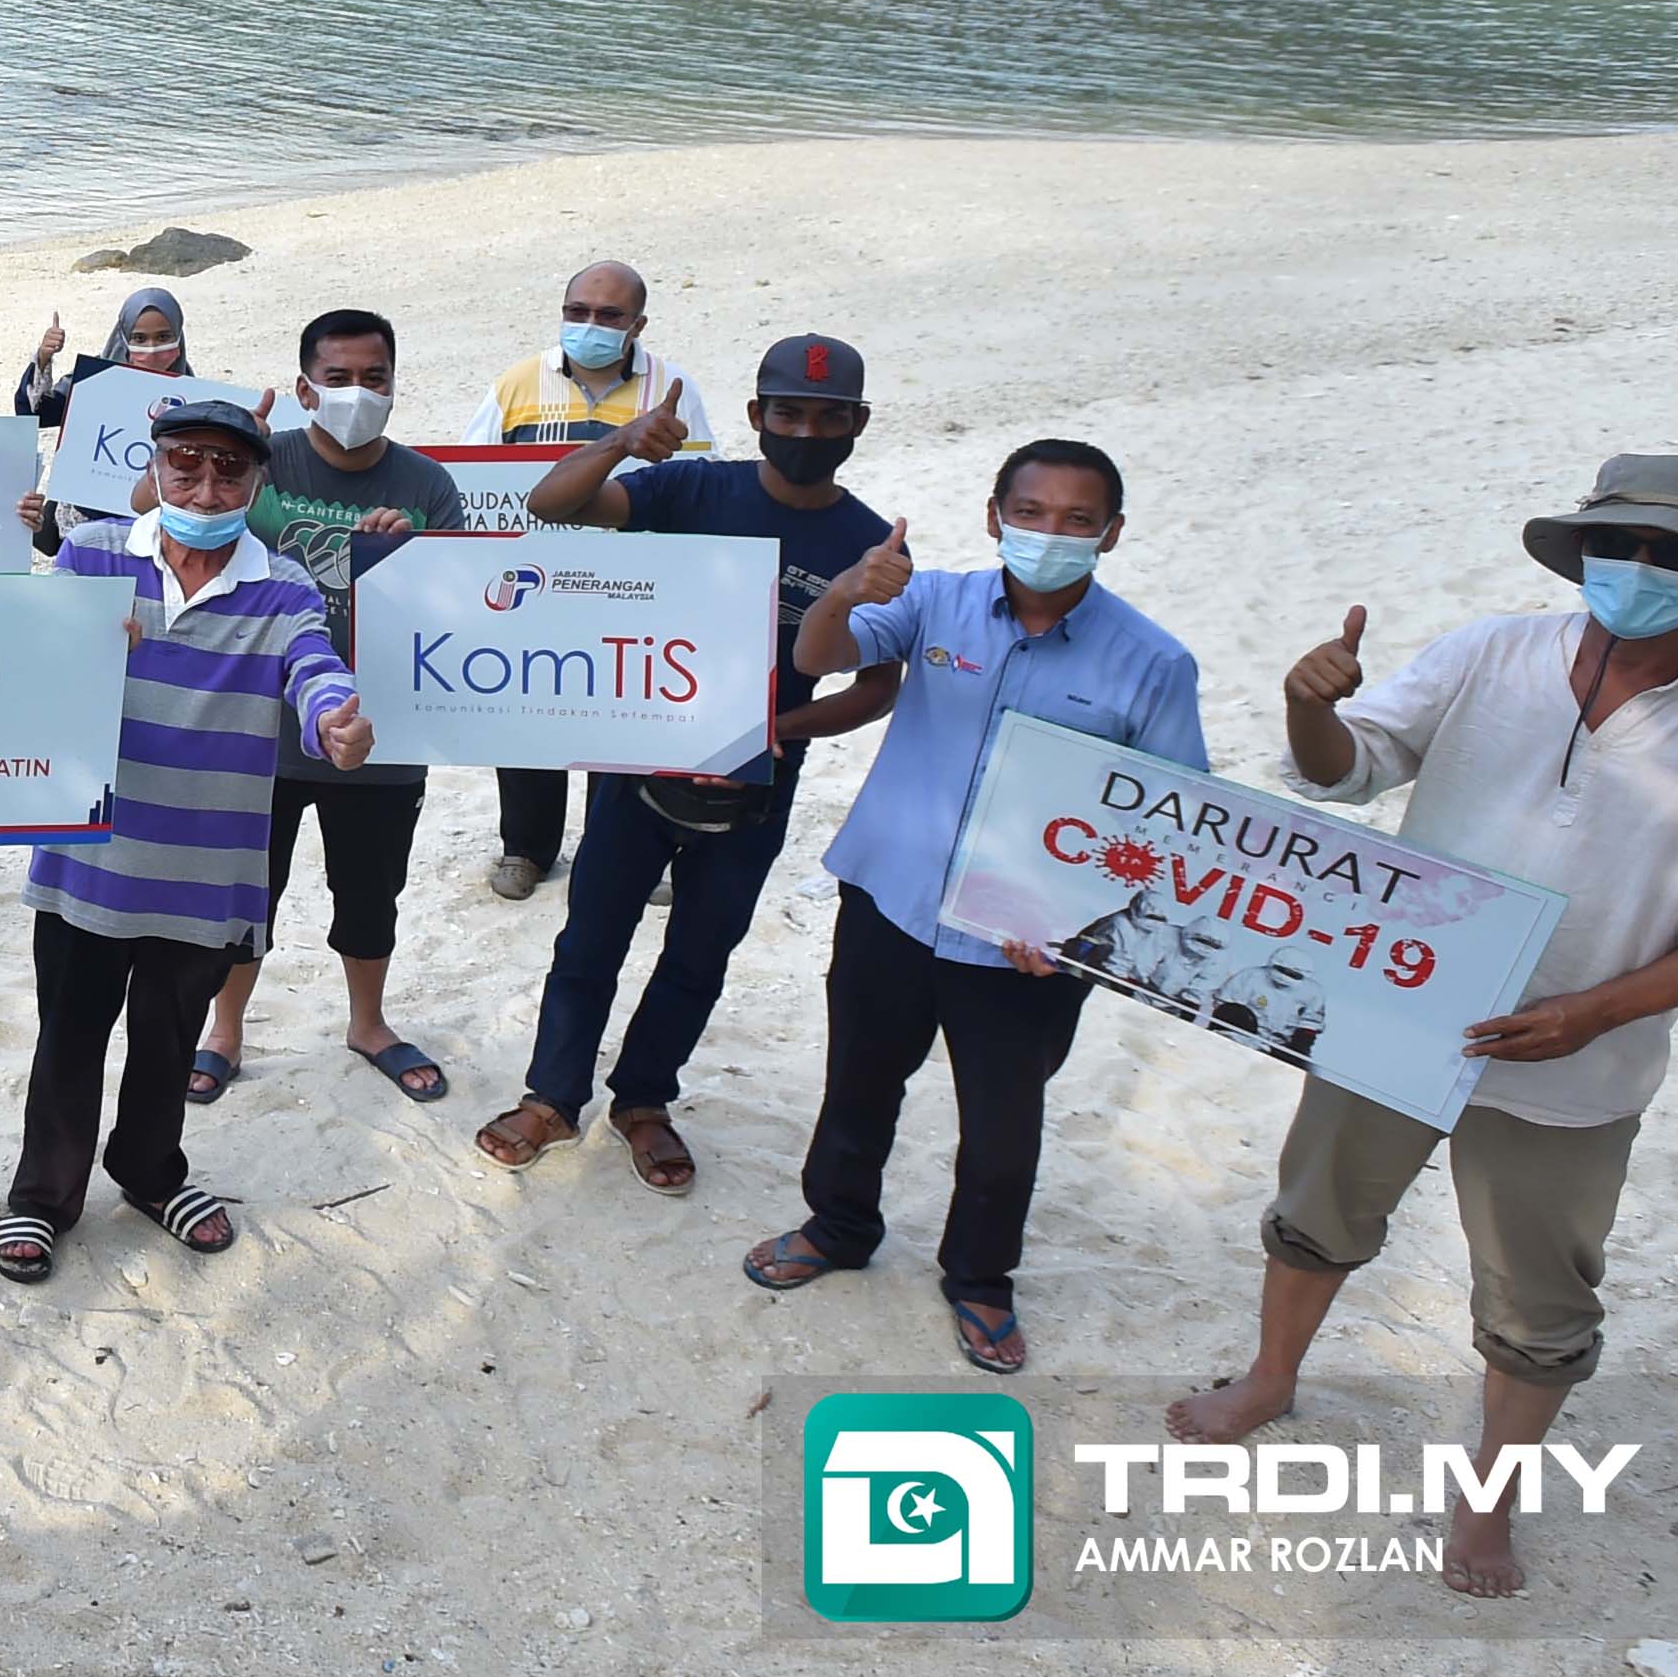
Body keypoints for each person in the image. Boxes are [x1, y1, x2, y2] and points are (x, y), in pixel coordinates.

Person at [1169, 456, 1678, 1598]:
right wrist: (1306, 706)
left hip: (1582, 1068)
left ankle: (1491, 1501)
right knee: (1318, 1209)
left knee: (1538, 1292)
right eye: (1616, 543)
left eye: (1674, 553)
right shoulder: (1492, 651)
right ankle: (1272, 1379)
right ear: (1579, 552)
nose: (1639, 569)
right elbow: (1349, 772)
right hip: (1396, 1009)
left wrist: (1595, 1012)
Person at [748, 437, 1207, 1373]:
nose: (1051, 534)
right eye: (1031, 513)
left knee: (1003, 1125)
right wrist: (843, 590)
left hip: (1027, 940)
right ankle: (838, 1225)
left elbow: (1174, 819)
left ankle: (982, 1276)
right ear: (995, 514)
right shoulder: (932, 599)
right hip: (894, 897)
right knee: (859, 1084)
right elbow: (821, 652)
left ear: (1112, 534)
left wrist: (1082, 931)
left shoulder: (1154, 662)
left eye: (1079, 521)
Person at [471, 338, 898, 1196]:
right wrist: (619, 443)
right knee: (590, 936)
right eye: (787, 412)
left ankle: (644, 1101)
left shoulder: (866, 539)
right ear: (755, 417)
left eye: (826, 417)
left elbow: (879, 684)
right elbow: (554, 505)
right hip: (638, 767)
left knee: (702, 951)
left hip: (760, 780)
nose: (805, 430)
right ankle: (552, 1096)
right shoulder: (695, 488)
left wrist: (776, 726)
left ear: (856, 425)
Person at [0, 399, 372, 1284]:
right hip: (89, 858)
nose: (206, 486)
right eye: (187, 464)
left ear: (258, 480)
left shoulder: (285, 586)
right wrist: (72, 641)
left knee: (169, 1043)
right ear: (155, 467)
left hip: (207, 873)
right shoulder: (91, 555)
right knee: (68, 1037)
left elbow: (314, 669)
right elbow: (23, 661)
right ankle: (43, 1197)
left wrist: (335, 724)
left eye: (230, 469)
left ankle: (150, 1173)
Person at [192, 308, 462, 1110]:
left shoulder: (427, 484)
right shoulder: (259, 460)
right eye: (337, 378)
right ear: (305, 385)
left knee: (371, 891)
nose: (356, 393)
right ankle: (225, 1030)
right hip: (258, 728)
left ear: (393, 385)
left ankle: (369, 1024)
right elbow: (163, 505)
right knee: (248, 895)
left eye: (373, 378)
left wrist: (415, 555)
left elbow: (463, 610)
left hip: (379, 733)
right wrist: (214, 437)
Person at [468, 263, 718, 897]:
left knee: (621, 717)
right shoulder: (518, 384)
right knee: (526, 713)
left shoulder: (673, 389)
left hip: (628, 587)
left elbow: (700, 487)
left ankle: (613, 846)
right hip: (532, 582)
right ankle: (526, 849)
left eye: (609, 316)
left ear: (638, 324)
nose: (590, 326)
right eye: (577, 311)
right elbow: (473, 476)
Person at [16, 283, 192, 425]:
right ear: (123, 339)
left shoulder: (192, 392)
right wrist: (43, 358)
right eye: (139, 339)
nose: (152, 348)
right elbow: (33, 414)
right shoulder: (92, 382)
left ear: (178, 336)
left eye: (163, 337)